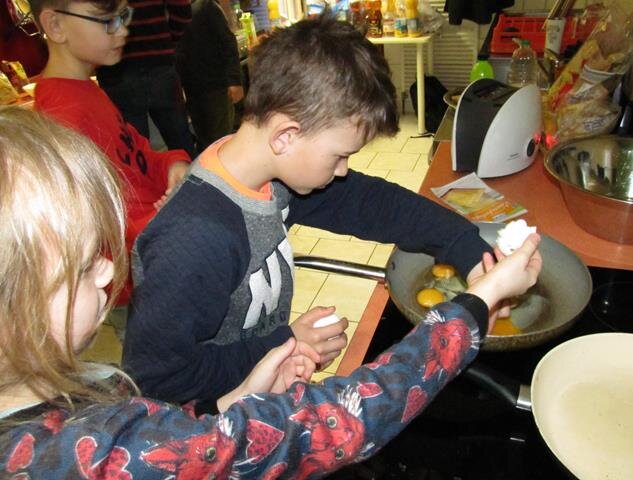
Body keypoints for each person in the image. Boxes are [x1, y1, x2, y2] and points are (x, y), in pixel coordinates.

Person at [0, 106, 542, 479]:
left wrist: (233, 401)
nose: (106, 271)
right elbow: (339, 424)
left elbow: (194, 436)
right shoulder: (92, 456)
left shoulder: (73, 401)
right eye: (80, 265)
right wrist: (475, 306)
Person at [123, 14, 510, 411]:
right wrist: (285, 344)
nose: (343, 171)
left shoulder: (271, 175)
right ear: (286, 136)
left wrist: (467, 248)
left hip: (263, 389)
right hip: (214, 425)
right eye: (339, 156)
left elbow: (371, 204)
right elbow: (159, 378)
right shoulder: (195, 238)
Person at [29, 0, 191, 307]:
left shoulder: (86, 89)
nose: (124, 29)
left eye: (123, 16)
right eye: (108, 20)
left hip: (154, 248)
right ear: (56, 25)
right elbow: (97, 225)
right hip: (134, 278)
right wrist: (171, 216)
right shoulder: (62, 117)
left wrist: (172, 164)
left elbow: (135, 154)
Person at [96, 0, 196, 158]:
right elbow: (182, 11)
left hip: (116, 69)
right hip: (159, 61)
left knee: (135, 150)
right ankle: (192, 173)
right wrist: (168, 41)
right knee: (180, 140)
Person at [176, 0, 245, 152]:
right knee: (206, 138)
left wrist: (234, 80)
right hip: (193, 88)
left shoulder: (206, 6)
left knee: (219, 138)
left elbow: (228, 42)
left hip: (215, 85)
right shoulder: (179, 11)